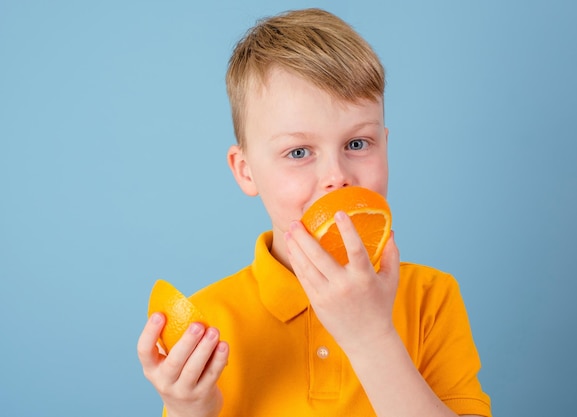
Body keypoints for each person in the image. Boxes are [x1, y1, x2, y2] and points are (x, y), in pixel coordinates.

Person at [137, 8, 491, 417]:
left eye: (357, 144)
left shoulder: (431, 299)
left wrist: (372, 336)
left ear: (386, 145)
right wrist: (191, 409)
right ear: (246, 171)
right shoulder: (208, 325)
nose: (336, 177)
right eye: (299, 152)